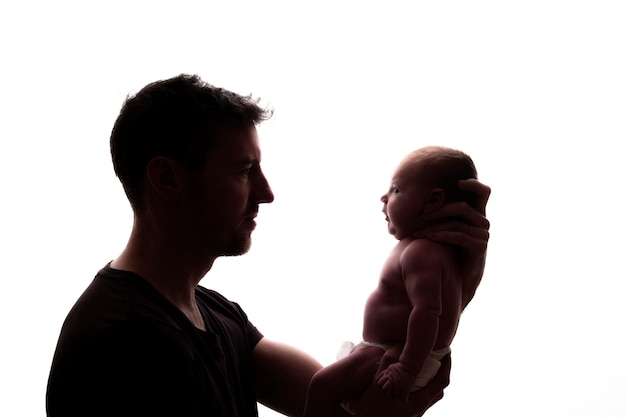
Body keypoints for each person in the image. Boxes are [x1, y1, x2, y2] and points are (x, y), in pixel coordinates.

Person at [46, 74, 491, 417]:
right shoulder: (119, 343)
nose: (266, 192)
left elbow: (344, 408)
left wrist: (456, 287)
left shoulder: (218, 317)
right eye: (244, 170)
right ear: (167, 179)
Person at [304, 146, 485, 417]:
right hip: (395, 352)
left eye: (396, 190)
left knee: (321, 387)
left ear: (433, 201)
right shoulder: (426, 249)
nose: (384, 197)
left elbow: (428, 312)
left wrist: (407, 368)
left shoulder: (421, 251)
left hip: (397, 356)